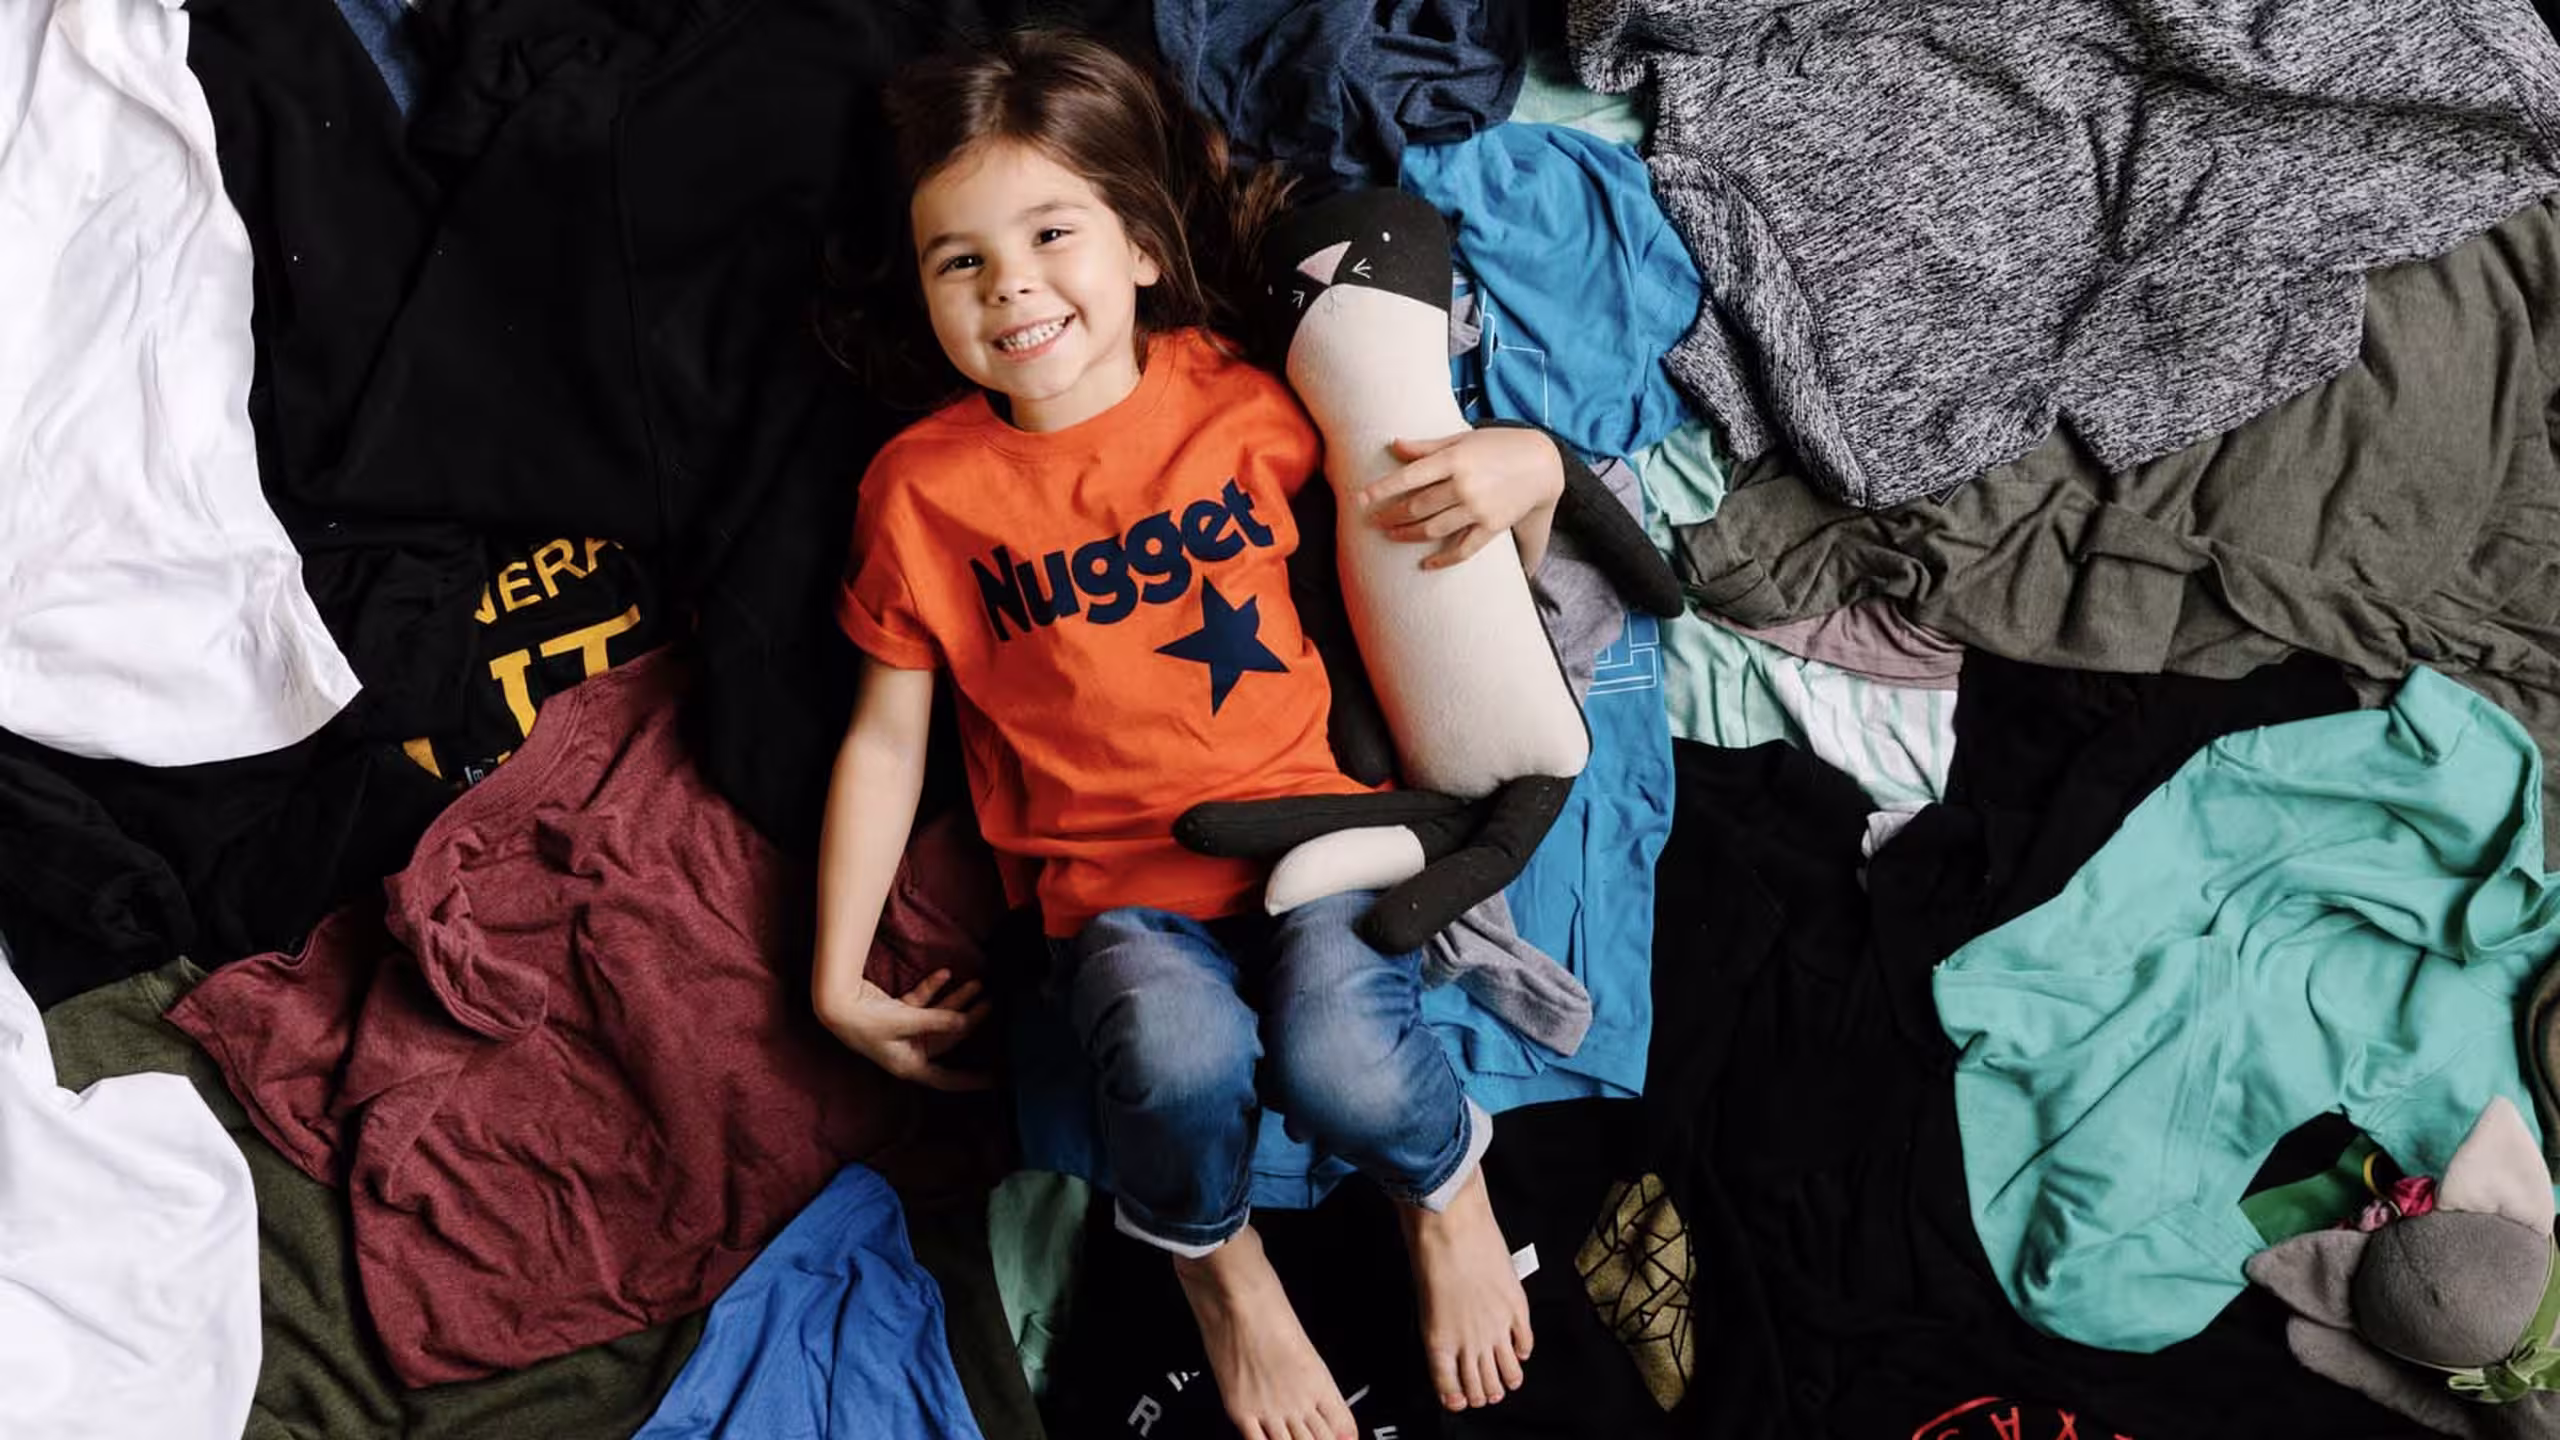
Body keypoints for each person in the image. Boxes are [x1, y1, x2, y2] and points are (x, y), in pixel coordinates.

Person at [810, 28, 1560, 1438]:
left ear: (1144, 248)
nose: (1010, 282)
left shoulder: (1246, 398)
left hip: (1326, 841)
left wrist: (1532, 474)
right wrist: (836, 973)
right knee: (1172, 1060)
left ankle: (1446, 1189)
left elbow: (1443, 589)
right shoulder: (921, 492)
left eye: (1051, 233)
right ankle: (1214, 1262)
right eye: (959, 260)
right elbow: (884, 741)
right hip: (1118, 899)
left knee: (1347, 1060)